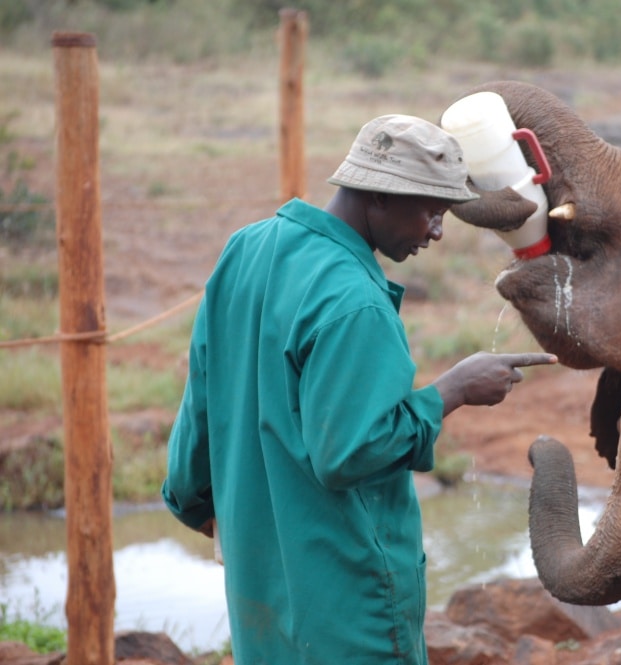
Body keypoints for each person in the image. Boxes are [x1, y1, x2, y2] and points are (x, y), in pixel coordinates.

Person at [161, 114, 557, 665]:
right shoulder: (355, 303)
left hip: (262, 598)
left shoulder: (246, 249)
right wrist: (452, 390)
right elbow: (351, 453)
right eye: (432, 212)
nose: (438, 232)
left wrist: (197, 502)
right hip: (349, 604)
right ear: (378, 196)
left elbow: (201, 404)